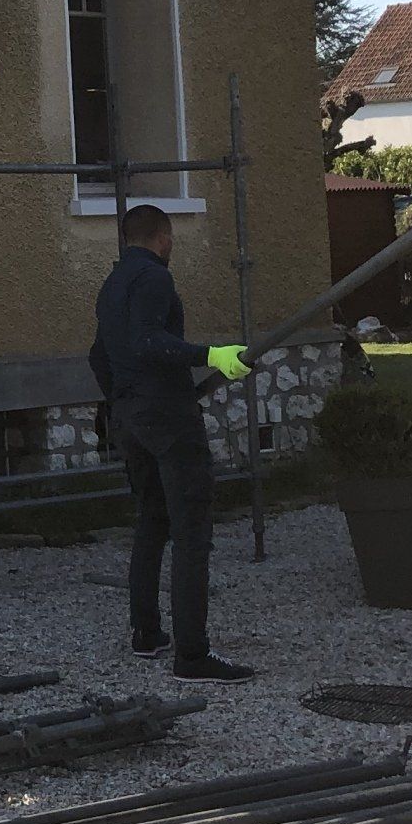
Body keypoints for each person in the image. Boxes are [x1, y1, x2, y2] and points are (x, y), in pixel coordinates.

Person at [91, 201, 257, 682]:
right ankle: (192, 655)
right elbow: (147, 342)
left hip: (130, 416)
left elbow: (98, 355)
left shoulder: (112, 284)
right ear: (163, 238)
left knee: (152, 520)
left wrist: (121, 399)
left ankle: (146, 632)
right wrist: (212, 356)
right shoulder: (155, 279)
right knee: (191, 532)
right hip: (167, 415)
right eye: (171, 239)